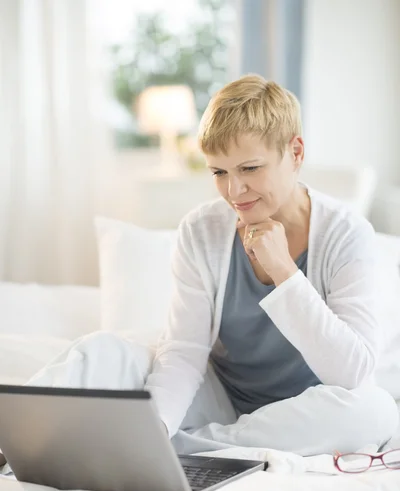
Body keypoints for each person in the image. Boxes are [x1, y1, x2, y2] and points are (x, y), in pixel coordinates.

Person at [29, 75, 398, 456]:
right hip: (220, 398)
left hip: (305, 409)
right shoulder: (201, 230)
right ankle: (17, 440)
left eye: (250, 168)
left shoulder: (347, 234)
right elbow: (185, 352)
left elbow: (351, 372)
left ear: (296, 153)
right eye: (219, 172)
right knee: (102, 351)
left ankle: (188, 447)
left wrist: (285, 273)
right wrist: (157, 423)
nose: (234, 192)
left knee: (375, 412)